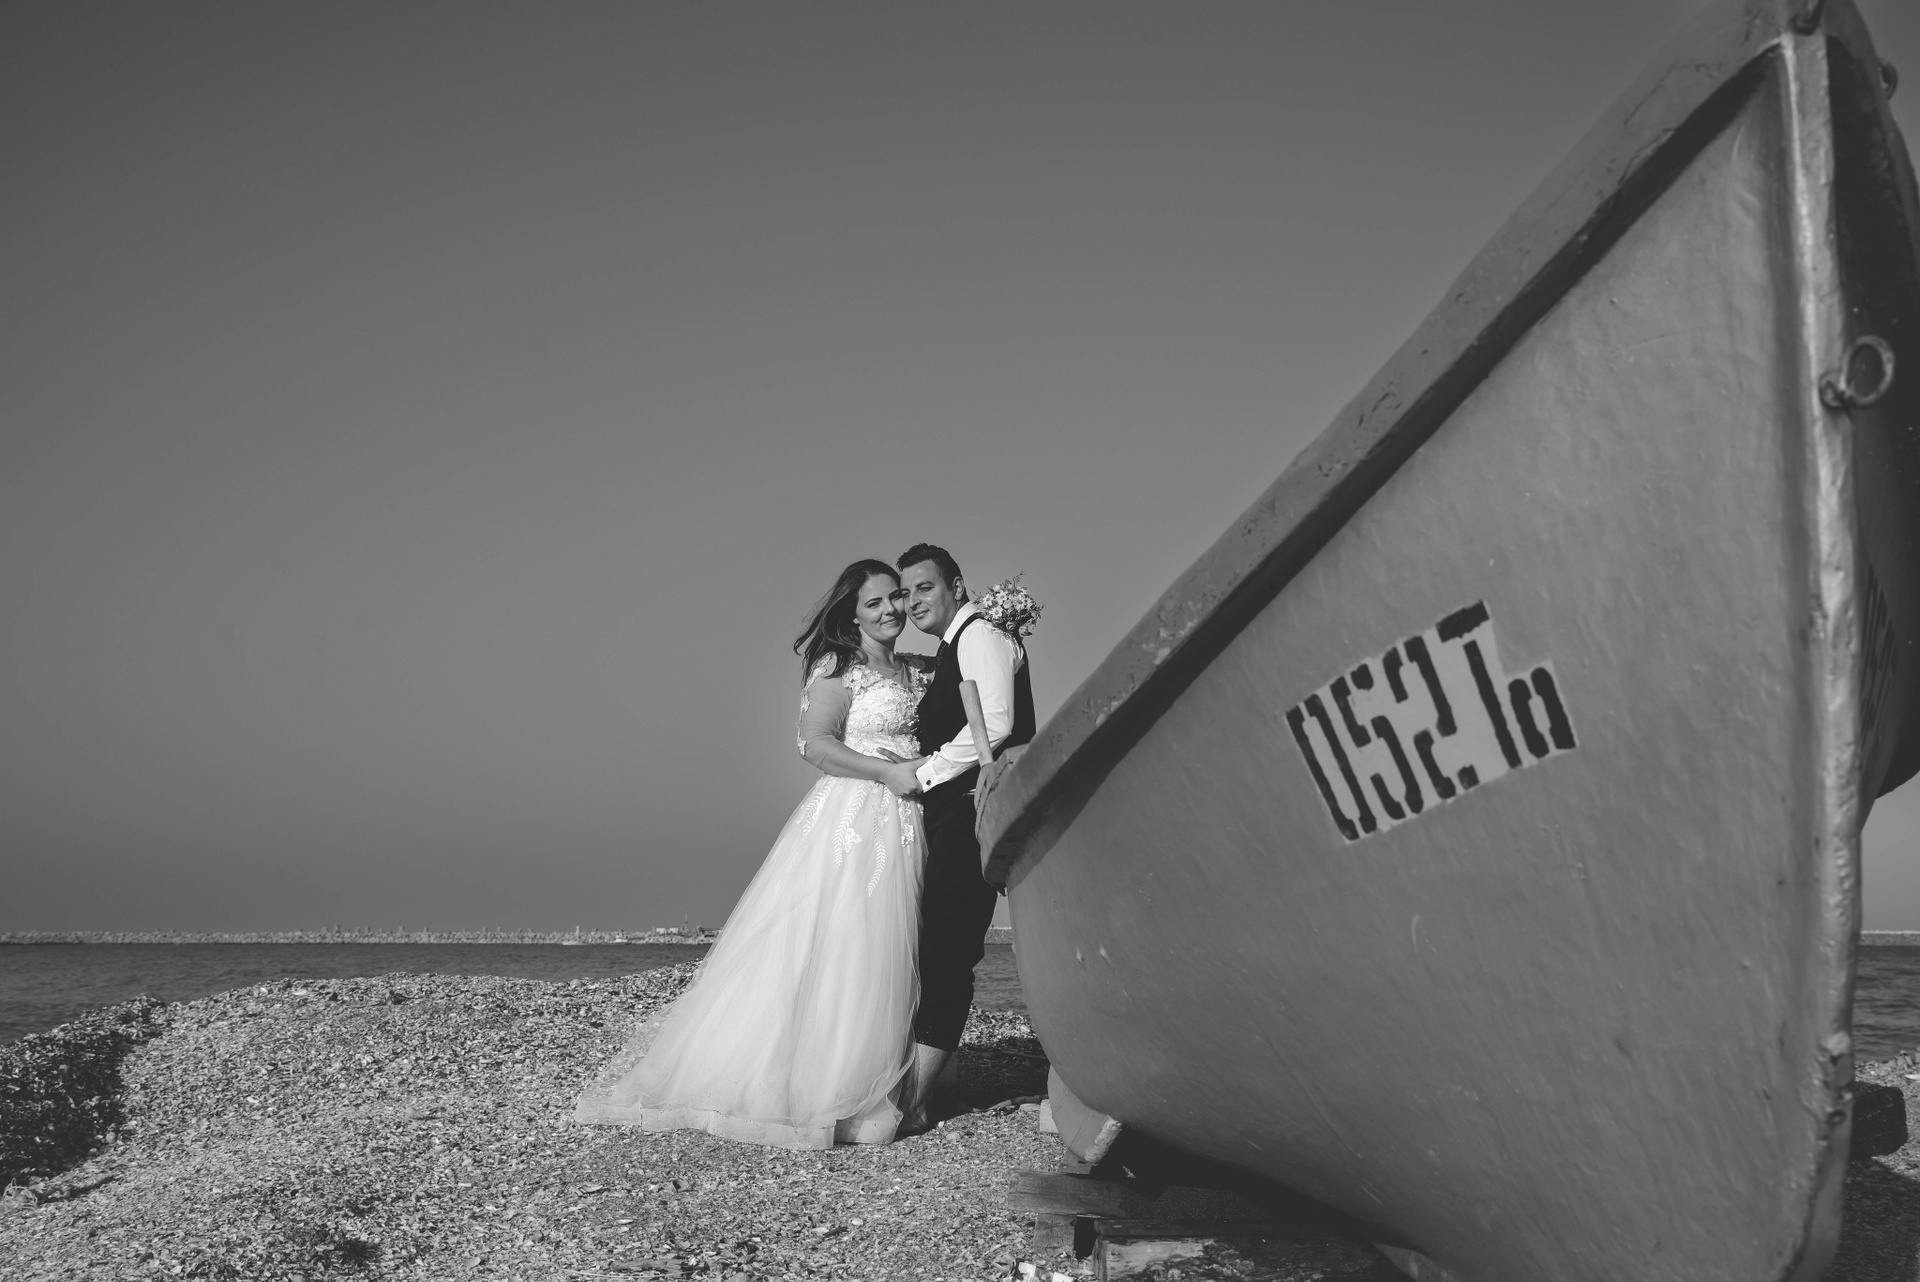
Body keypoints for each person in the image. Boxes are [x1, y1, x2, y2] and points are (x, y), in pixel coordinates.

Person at [573, 560, 930, 1148]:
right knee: (850, 939)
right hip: (856, 816)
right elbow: (813, 744)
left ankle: (883, 1077)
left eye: (895, 597)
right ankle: (828, 1088)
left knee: (894, 945)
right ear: (852, 615)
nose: (891, 609)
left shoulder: (919, 668)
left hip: (910, 819)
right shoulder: (839, 669)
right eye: (874, 603)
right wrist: (885, 772)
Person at [885, 543, 1035, 1131]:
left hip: (975, 807)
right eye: (905, 593)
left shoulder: (981, 636)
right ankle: (932, 1082)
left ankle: (918, 1102)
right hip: (954, 811)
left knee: (949, 945)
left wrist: (922, 774)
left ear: (956, 586)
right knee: (936, 941)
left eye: (924, 587)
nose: (912, 602)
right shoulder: (955, 645)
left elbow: (994, 723)